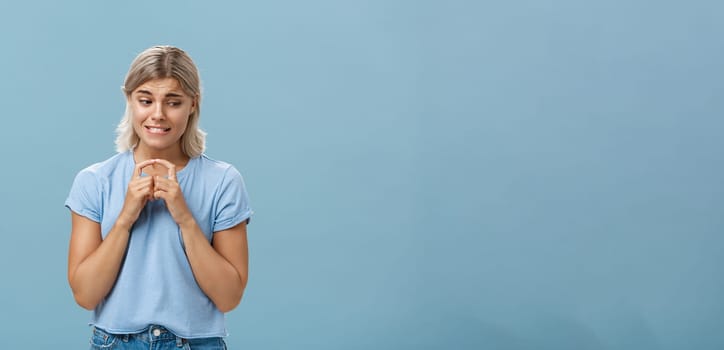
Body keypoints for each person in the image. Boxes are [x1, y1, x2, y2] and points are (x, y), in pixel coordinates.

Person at [65, 45, 253, 349]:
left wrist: (185, 218)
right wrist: (125, 218)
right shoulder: (94, 181)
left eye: (173, 102)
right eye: (145, 100)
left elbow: (229, 297)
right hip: (116, 342)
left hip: (196, 342)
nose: (158, 114)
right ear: (129, 101)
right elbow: (85, 294)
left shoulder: (223, 181)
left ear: (193, 104)